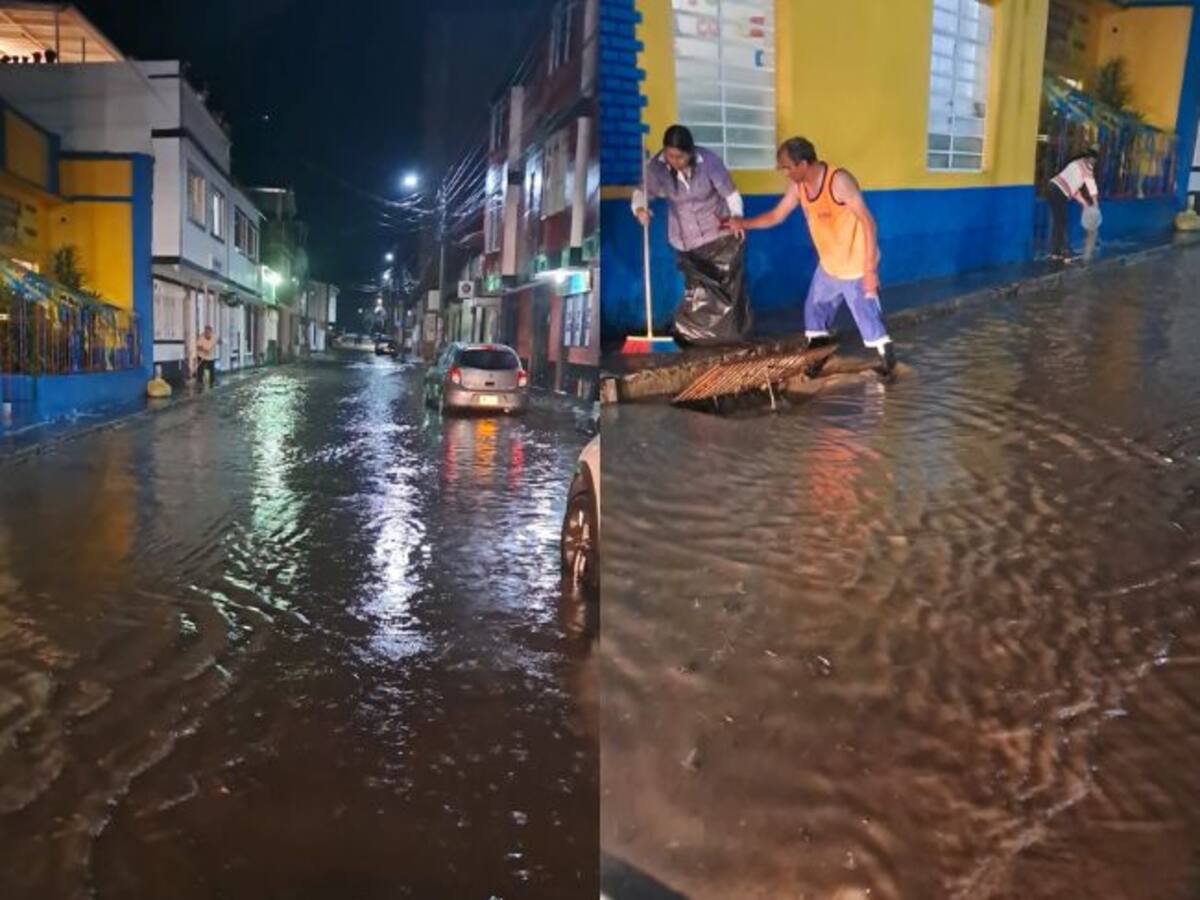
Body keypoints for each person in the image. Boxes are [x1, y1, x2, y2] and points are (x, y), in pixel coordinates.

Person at [729, 136, 895, 374]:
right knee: (815, 312)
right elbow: (777, 216)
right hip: (829, 266)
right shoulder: (799, 187)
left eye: (787, 167)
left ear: (803, 164)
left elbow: (868, 223)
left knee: (869, 321)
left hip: (857, 265)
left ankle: (888, 367)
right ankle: (818, 357)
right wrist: (743, 223)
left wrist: (869, 272)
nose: (784, 173)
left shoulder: (838, 181)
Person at [631, 124, 752, 345]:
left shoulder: (709, 162)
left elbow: (731, 194)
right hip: (684, 237)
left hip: (718, 233)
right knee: (697, 290)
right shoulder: (657, 167)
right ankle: (695, 335)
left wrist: (737, 217)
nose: (674, 161)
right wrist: (640, 210)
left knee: (725, 287)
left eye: (679, 156)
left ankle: (729, 333)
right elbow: (642, 193)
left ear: (691, 152)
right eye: (669, 155)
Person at [1047, 147, 1100, 261]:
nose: (1094, 163)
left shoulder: (1076, 163)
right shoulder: (1087, 168)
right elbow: (1092, 187)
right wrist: (1096, 205)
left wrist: (1084, 204)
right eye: (1094, 161)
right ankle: (1065, 253)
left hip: (1052, 188)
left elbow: (1074, 189)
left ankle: (1055, 253)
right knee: (1062, 223)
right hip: (1059, 192)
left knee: (1057, 222)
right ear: (1090, 159)